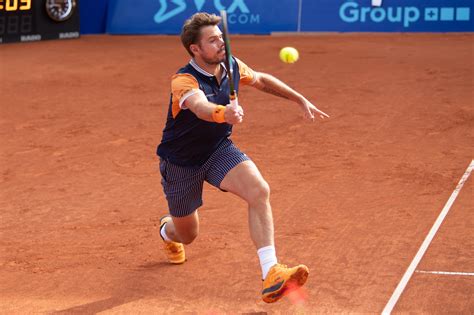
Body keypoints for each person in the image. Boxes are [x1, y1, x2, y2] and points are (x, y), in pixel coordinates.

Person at [156, 12, 329, 303]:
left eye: (220, 37)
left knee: (259, 190)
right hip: (181, 163)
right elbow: (200, 107)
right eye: (212, 41)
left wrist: (299, 98)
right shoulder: (183, 81)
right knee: (187, 235)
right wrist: (224, 113)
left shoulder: (232, 65)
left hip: (217, 151)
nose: (221, 43)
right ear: (195, 49)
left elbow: (261, 79)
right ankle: (166, 231)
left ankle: (271, 272)